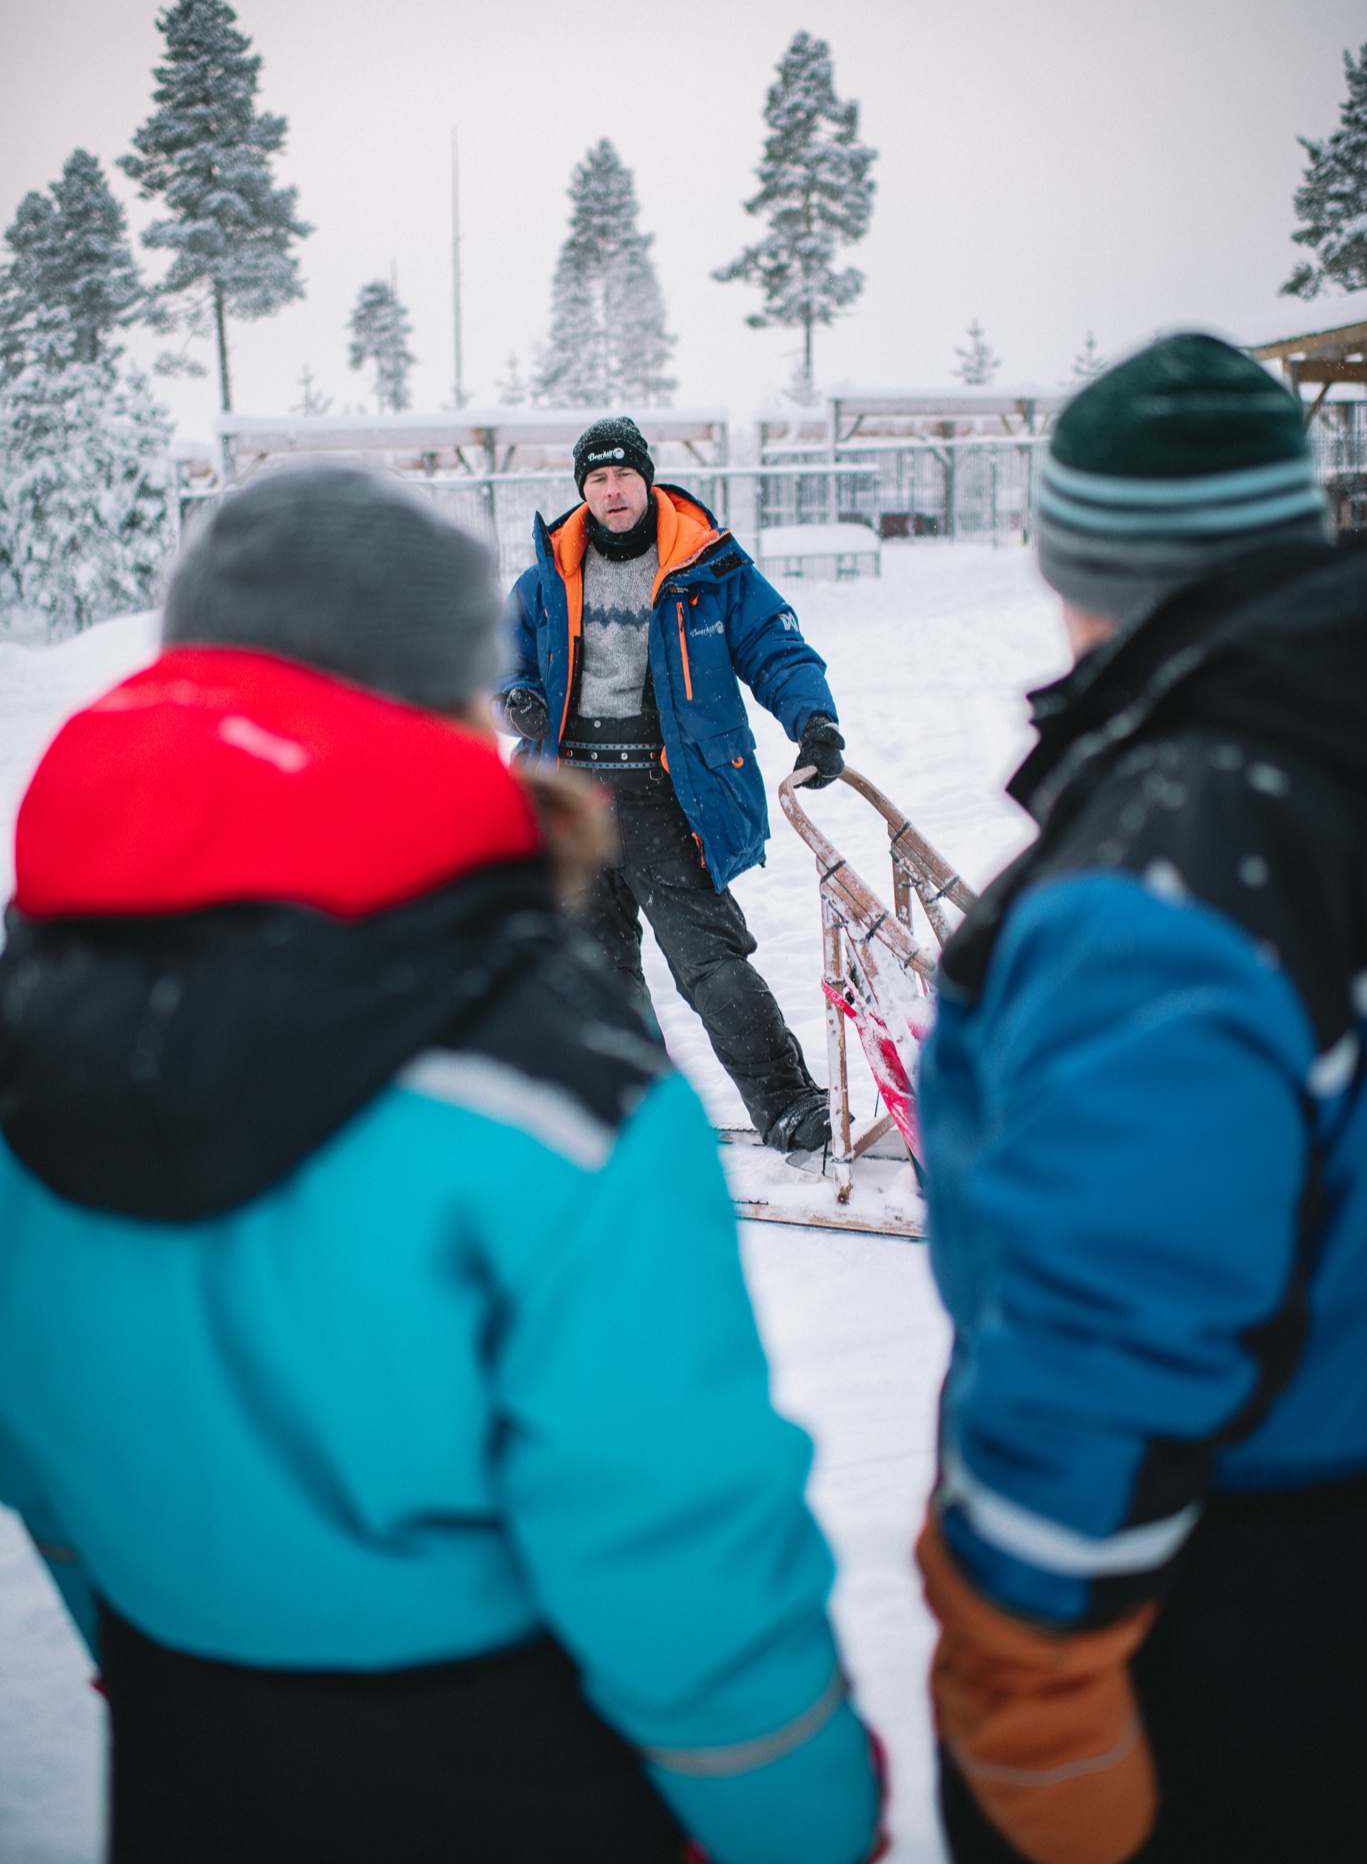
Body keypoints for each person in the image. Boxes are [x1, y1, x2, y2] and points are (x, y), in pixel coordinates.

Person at [0, 468, 886, 1864]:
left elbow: (42, 1446)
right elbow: (666, 1534)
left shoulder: (32, 1028)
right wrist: (802, 1817)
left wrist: (161, 1647)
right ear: (451, 694)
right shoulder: (556, 1082)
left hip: (187, 1751)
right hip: (519, 1770)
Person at [914, 334, 1367, 1864]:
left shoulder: (1176, 860)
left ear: (1082, 564)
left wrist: (1022, 1671)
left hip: (1240, 1594)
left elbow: (1113, 1306)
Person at [498, 417, 844, 1153]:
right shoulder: (545, 578)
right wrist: (513, 698)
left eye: (622, 475)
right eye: (596, 479)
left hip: (668, 790)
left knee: (710, 962)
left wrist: (813, 721)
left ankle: (787, 1104)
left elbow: (774, 648)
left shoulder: (708, 568)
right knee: (594, 970)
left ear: (647, 478)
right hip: (569, 797)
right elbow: (500, 663)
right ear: (581, 490)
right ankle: (635, 1115)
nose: (612, 490)